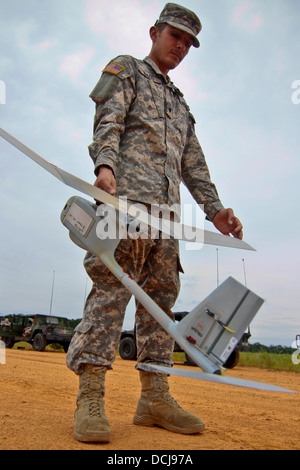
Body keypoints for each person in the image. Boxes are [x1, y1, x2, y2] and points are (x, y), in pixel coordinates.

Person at [66, 3, 243, 443]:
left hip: (167, 220)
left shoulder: (180, 106)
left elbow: (194, 165)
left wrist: (215, 209)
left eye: (187, 43)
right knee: (110, 289)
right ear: (154, 32)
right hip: (123, 205)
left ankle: (155, 398)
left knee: (161, 302)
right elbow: (108, 120)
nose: (180, 47)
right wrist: (104, 165)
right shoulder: (127, 69)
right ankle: (91, 397)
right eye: (174, 37)